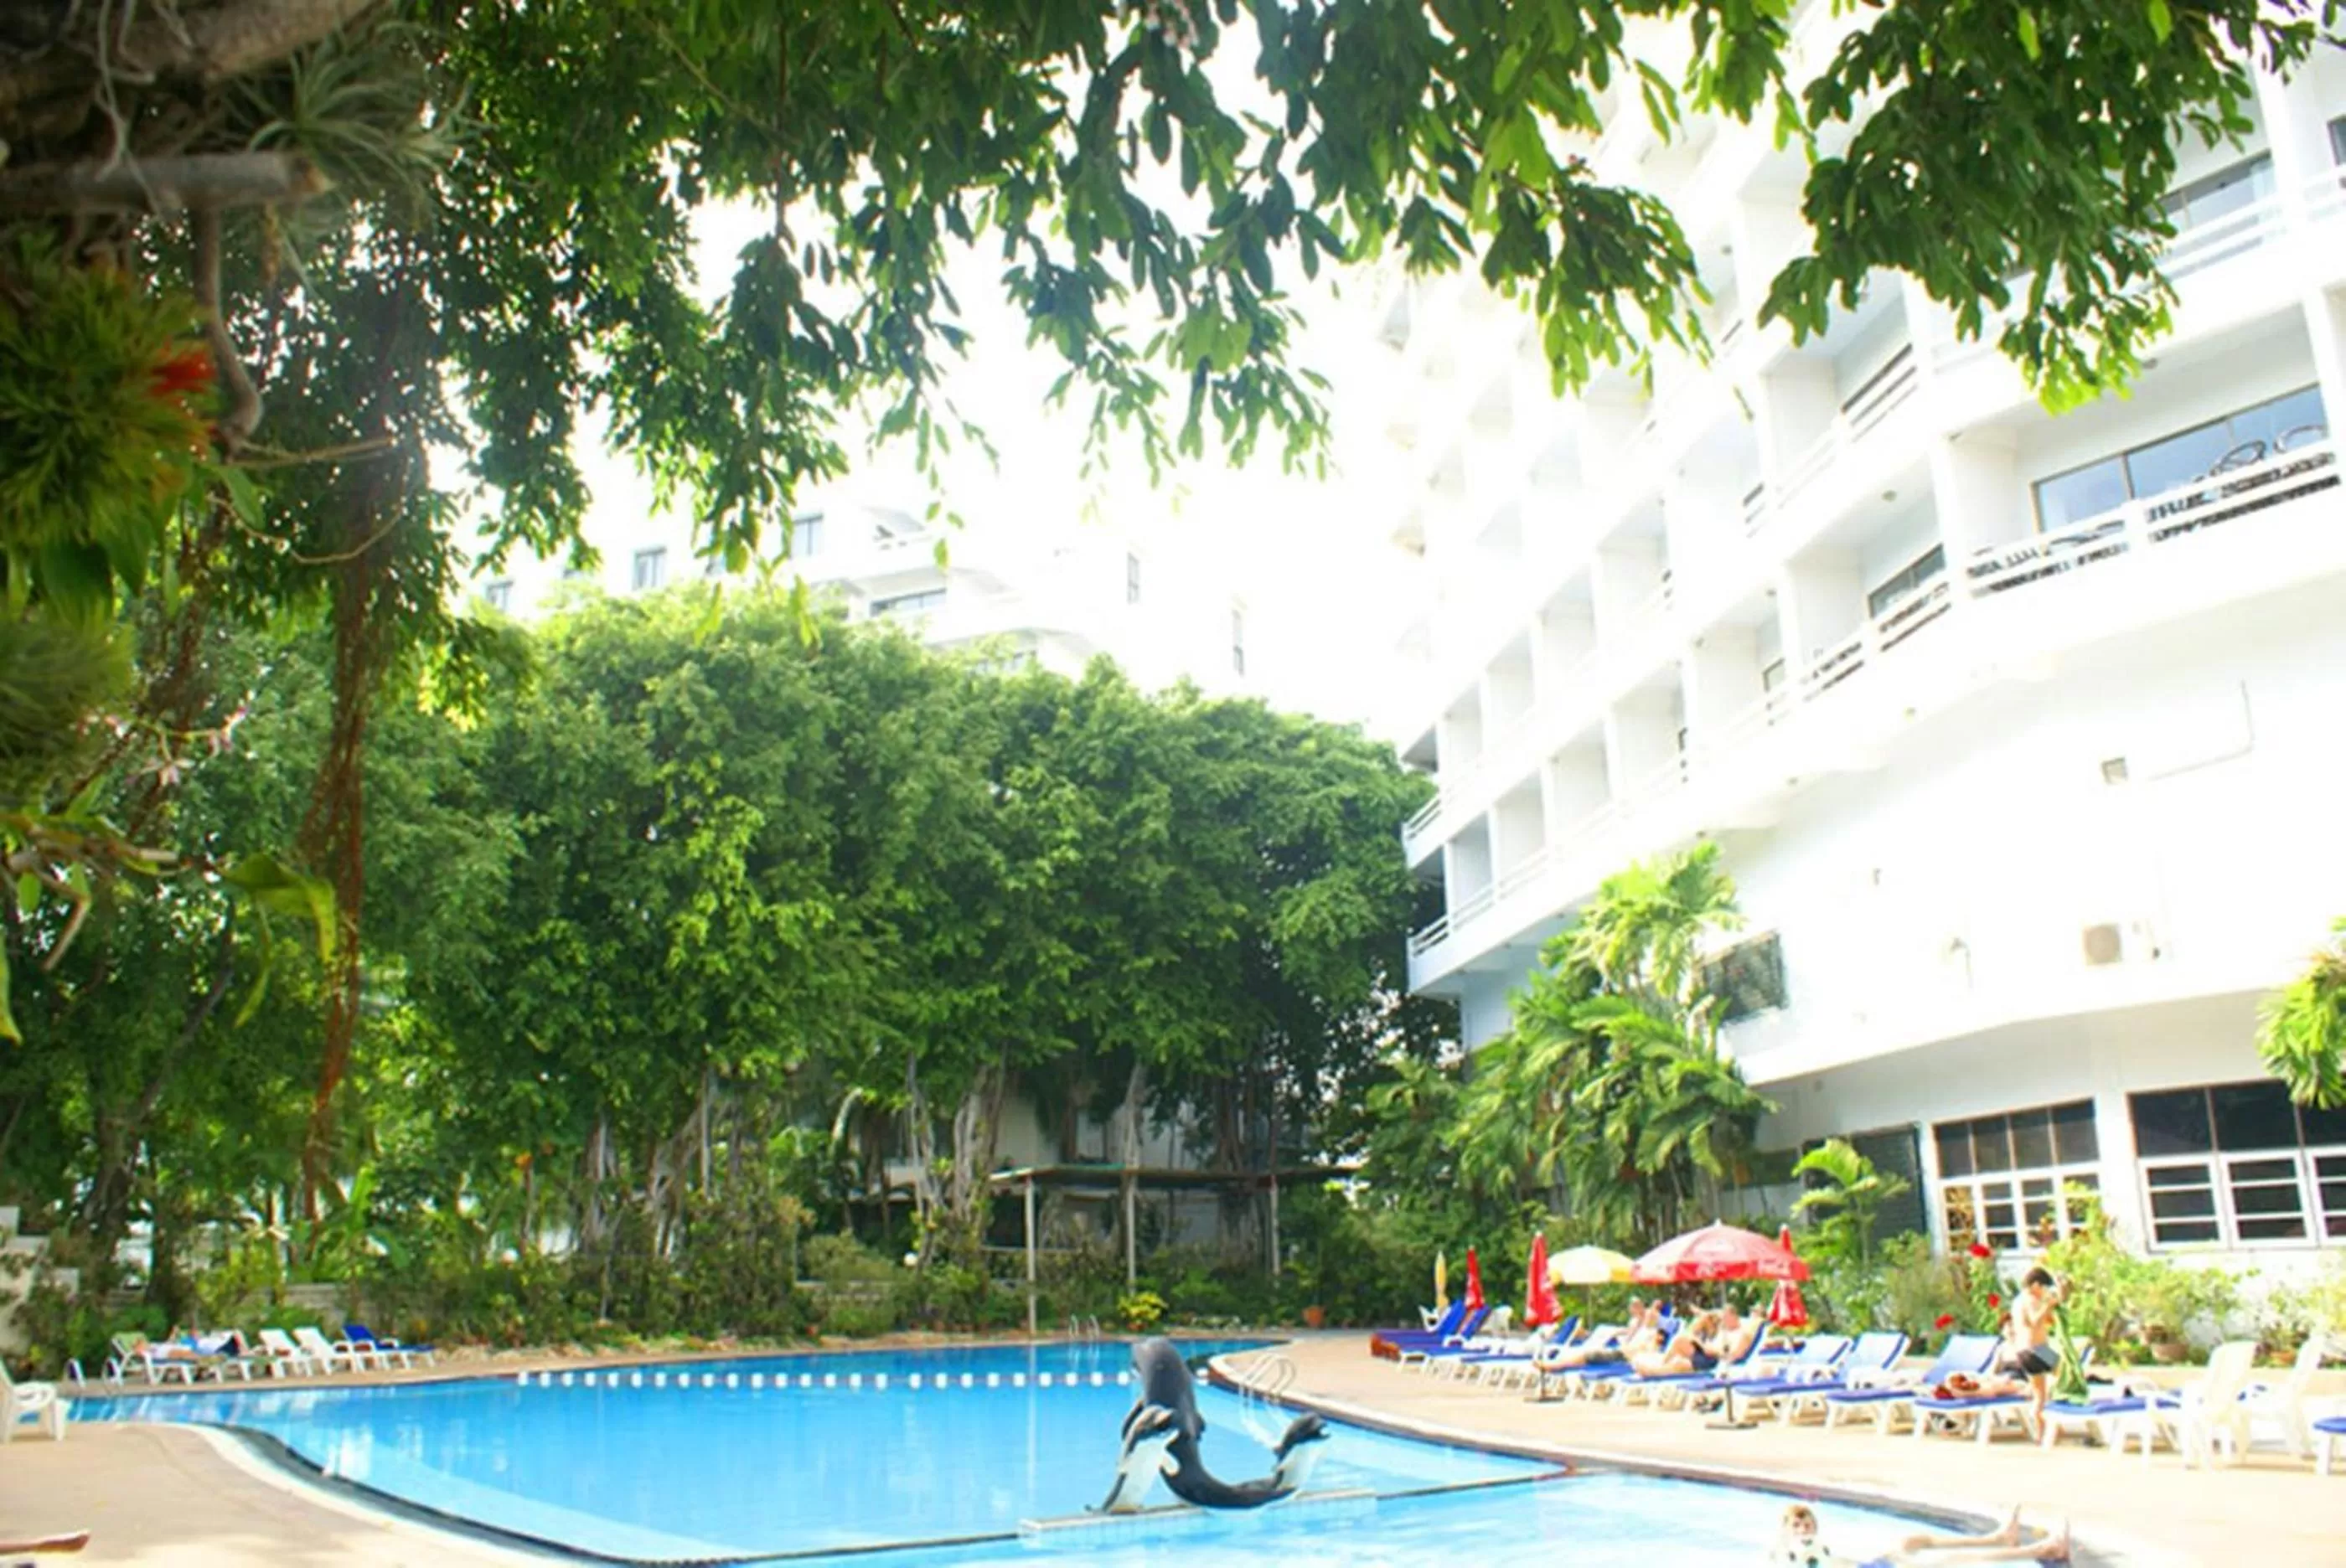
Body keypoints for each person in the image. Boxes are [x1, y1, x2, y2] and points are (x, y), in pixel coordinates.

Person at [1770, 1504, 2070, 1565]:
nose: (1804, 1529)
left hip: (1873, 1565)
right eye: (1797, 1526)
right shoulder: (1785, 1556)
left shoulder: (1814, 1550)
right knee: (1952, 1560)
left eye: (1807, 1523)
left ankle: (1997, 1538)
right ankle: (2043, 1551)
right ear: (1786, 1530)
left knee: (1912, 1541)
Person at [1997, 1267, 2065, 1424]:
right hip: (2036, 1349)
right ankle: (2042, 1420)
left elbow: (2046, 1321)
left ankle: (2046, 1425)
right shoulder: (2030, 1300)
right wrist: (2048, 1305)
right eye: (2043, 1288)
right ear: (2035, 1285)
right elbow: (2034, 1321)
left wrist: (2053, 1305)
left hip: (2025, 1350)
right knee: (2064, 1376)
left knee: (2043, 1390)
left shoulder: (2018, 1301)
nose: (2044, 1292)